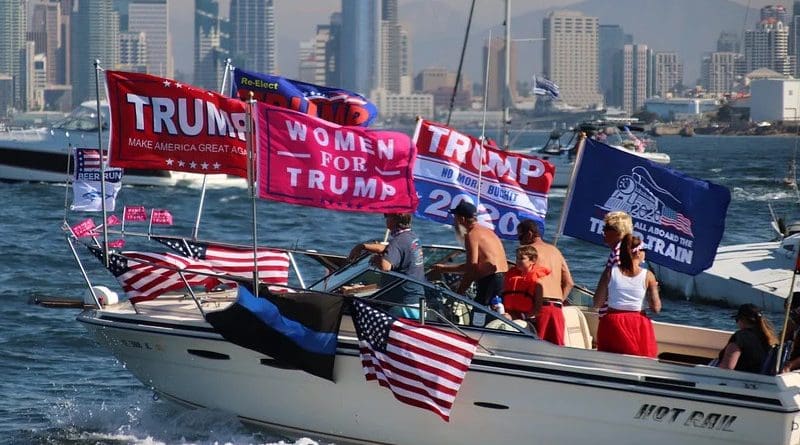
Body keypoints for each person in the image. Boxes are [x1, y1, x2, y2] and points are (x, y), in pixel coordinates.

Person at [347, 213, 425, 317]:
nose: (385, 218)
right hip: (416, 300)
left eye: (387, 215)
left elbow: (385, 266)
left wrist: (375, 258)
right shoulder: (411, 237)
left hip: (403, 306)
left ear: (395, 219)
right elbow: (389, 248)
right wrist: (362, 246)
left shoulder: (398, 241)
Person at [431, 201, 508, 306]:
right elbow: (473, 266)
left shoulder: (472, 235)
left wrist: (458, 294)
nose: (454, 220)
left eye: (455, 217)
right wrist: (444, 268)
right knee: (494, 313)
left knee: (478, 316)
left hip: (490, 280)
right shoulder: (487, 231)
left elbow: (472, 269)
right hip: (502, 278)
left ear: (462, 219)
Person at [596, 234, 661, 357]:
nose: (645, 253)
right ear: (637, 253)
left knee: (609, 362)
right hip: (638, 324)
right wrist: (655, 289)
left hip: (612, 322)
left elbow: (597, 303)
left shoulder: (610, 272)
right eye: (644, 250)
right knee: (639, 363)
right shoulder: (648, 276)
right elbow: (656, 308)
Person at [517, 219, 574, 345]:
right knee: (556, 351)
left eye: (520, 235)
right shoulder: (555, 251)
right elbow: (569, 283)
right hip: (557, 308)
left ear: (530, 234)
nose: (519, 239)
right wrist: (559, 301)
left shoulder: (529, 252)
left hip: (538, 308)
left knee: (536, 349)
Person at [593, 211, 634, 313]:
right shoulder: (631, 250)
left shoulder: (619, 253)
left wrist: (597, 302)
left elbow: (616, 283)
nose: (603, 232)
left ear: (618, 231)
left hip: (614, 313)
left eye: (606, 228)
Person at [718, 303, 778, 373]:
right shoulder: (769, 338)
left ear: (742, 319)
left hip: (739, 380)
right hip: (759, 379)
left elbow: (727, 368)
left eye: (737, 320)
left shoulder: (740, 337)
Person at [501, 245, 550, 321]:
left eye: (522, 258)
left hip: (526, 318)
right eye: (517, 258)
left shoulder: (537, 281)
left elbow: (537, 309)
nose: (517, 261)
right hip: (507, 314)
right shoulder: (510, 275)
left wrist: (520, 317)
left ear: (533, 260)